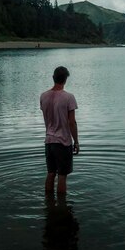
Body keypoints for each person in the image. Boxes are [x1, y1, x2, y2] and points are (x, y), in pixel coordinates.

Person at [41, 66, 79, 194]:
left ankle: (48, 202)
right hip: (62, 142)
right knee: (62, 176)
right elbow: (72, 122)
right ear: (65, 80)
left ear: (53, 78)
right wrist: (76, 141)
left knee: (51, 173)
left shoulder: (43, 96)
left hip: (49, 141)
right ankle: (62, 207)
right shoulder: (69, 97)